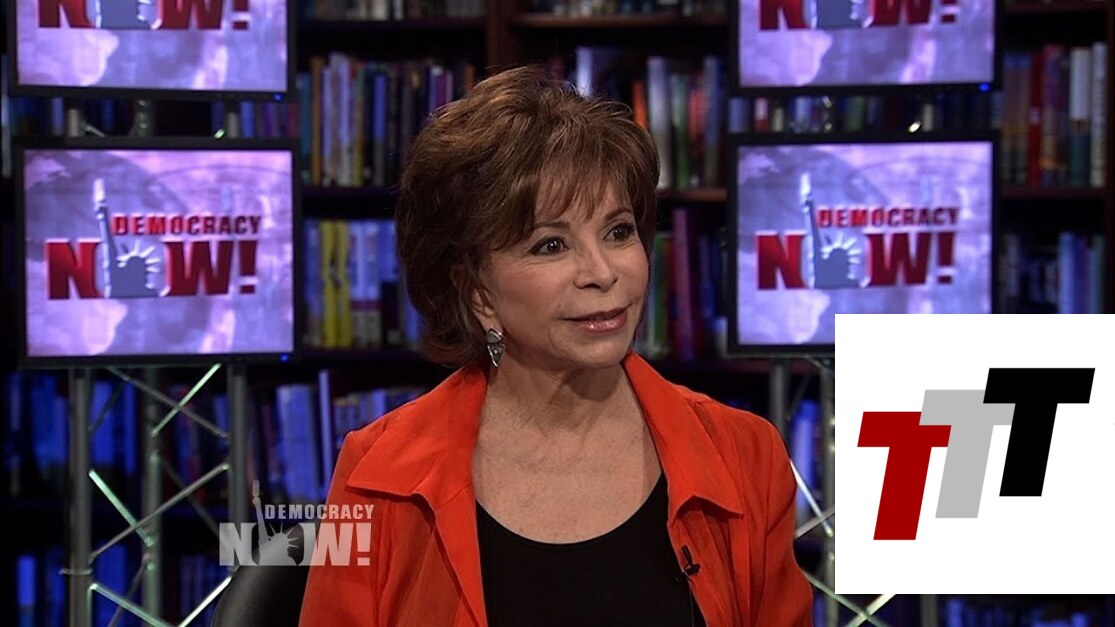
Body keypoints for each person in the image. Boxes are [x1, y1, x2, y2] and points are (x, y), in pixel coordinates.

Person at [298, 65, 814, 627]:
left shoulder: (745, 455)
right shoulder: (377, 475)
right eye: (550, 245)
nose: (602, 272)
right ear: (476, 291)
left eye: (618, 232)